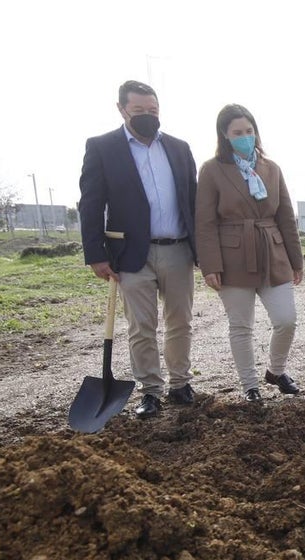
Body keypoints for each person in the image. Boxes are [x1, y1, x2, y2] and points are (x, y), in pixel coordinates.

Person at [78, 80, 198, 419]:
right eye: (139, 110)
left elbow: (193, 200)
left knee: (180, 321)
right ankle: (150, 391)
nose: (148, 115)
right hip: (131, 254)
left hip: (177, 249)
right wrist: (96, 254)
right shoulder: (103, 148)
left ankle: (180, 383)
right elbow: (91, 203)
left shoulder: (179, 148)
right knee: (141, 326)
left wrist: (203, 249)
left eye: (153, 110)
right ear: (121, 110)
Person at [194, 105, 303, 402]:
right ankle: (250, 385)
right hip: (232, 257)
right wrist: (210, 265)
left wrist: (296, 260)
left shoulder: (272, 168)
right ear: (225, 135)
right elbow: (204, 222)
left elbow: (286, 216)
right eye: (238, 132)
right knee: (241, 326)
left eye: (249, 131)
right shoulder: (211, 170)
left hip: (273, 252)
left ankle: (276, 371)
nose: (245, 137)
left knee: (286, 320)